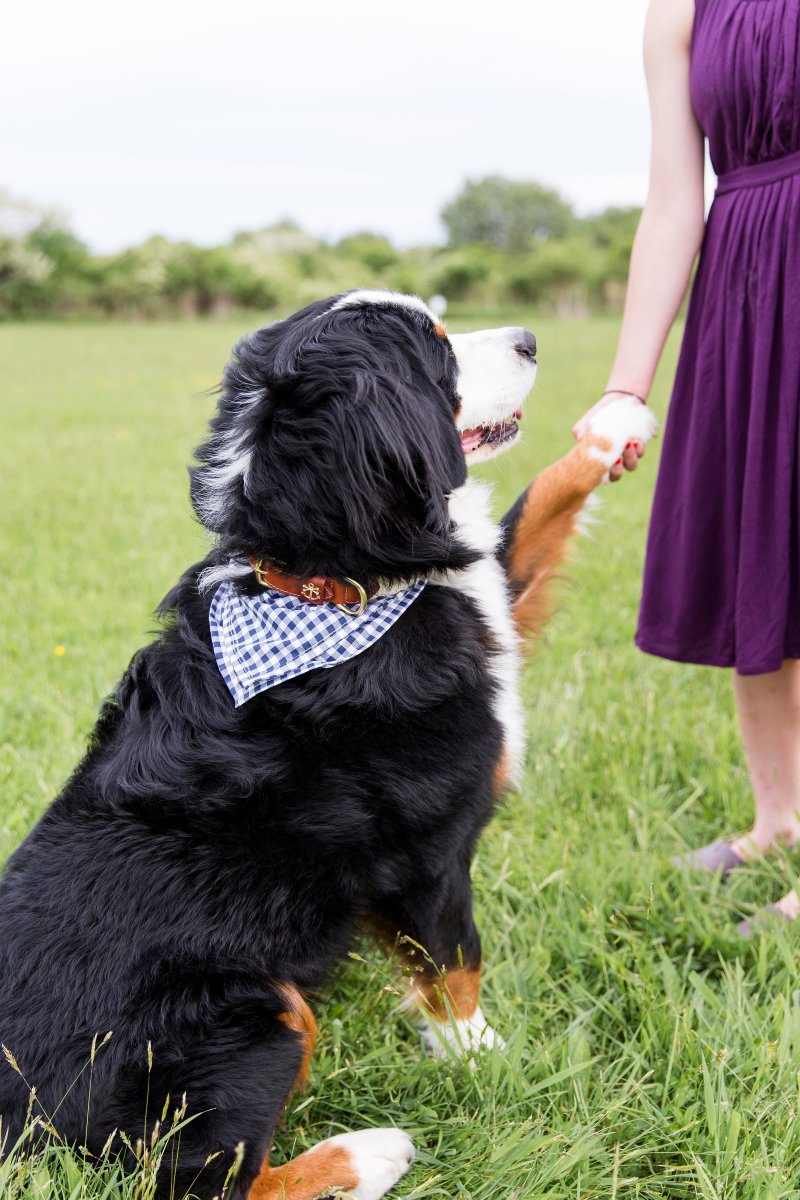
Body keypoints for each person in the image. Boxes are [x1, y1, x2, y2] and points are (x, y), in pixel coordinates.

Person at [573, 0, 800, 934]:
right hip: (747, 287)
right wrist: (628, 385)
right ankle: (780, 820)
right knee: (760, 556)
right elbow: (675, 198)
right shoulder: (681, 9)